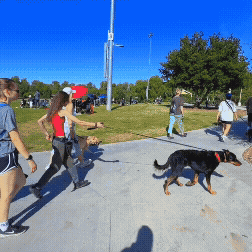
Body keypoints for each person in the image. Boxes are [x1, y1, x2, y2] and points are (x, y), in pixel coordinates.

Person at [29, 91, 104, 199]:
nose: (67, 102)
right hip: (60, 143)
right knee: (54, 167)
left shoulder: (51, 112)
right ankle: (37, 187)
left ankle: (77, 182)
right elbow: (80, 122)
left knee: (69, 162)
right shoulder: (62, 112)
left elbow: (39, 121)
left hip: (57, 141)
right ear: (62, 101)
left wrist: (46, 134)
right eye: (66, 100)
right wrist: (96, 124)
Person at [0, 78, 37, 238]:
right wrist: (29, 158)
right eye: (17, 91)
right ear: (7, 92)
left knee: (21, 180)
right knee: (7, 193)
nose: (19, 94)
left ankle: (2, 210)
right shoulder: (7, 110)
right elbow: (15, 138)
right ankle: (3, 227)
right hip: (6, 154)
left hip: (5, 154)